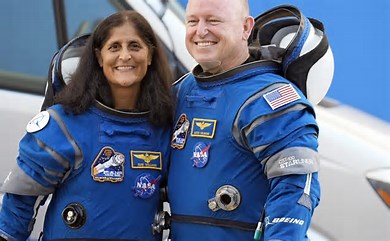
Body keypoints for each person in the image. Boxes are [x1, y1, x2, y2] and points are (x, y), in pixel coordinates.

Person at [0, 10, 174, 241]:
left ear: (150, 55)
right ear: (99, 57)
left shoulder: (164, 128)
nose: (125, 56)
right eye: (114, 47)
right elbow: (18, 205)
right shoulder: (64, 124)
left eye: (134, 46)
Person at [166, 0, 325, 240]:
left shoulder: (271, 99)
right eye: (192, 21)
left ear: (245, 28)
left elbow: (296, 188)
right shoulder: (181, 91)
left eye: (213, 20)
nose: (200, 31)